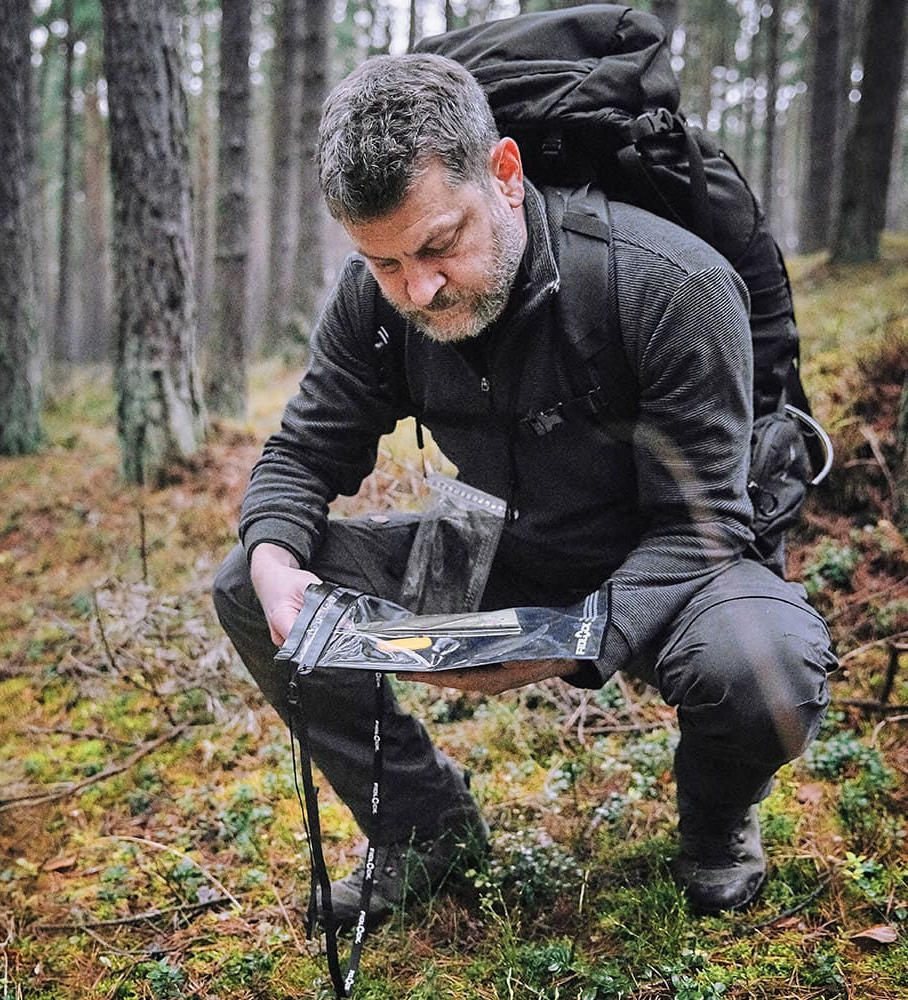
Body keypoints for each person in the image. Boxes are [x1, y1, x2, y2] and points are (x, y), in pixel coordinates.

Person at [213, 52, 835, 927]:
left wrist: (574, 640)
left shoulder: (670, 286)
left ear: (504, 174)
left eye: (439, 245)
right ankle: (425, 832)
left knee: (762, 667)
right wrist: (277, 559)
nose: (417, 290)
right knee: (248, 581)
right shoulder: (377, 299)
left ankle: (719, 821)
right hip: (502, 550)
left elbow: (704, 527)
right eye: (384, 262)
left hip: (675, 568)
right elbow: (303, 453)